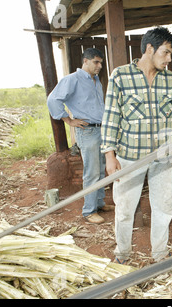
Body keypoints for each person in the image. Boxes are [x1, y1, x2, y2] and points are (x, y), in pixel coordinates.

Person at [101, 27, 172, 263]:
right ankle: (122, 254)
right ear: (149, 49)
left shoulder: (170, 80)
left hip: (162, 156)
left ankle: (160, 254)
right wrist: (109, 156)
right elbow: (111, 117)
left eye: (171, 54)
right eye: (165, 53)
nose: (169, 59)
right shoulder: (120, 76)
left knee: (163, 207)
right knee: (124, 209)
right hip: (130, 156)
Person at [47, 48, 112, 224]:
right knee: (91, 172)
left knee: (100, 169)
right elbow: (53, 100)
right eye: (96, 62)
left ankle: (99, 203)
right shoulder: (72, 79)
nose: (99, 66)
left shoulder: (96, 80)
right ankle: (89, 211)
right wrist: (68, 120)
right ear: (85, 61)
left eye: (101, 62)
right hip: (87, 131)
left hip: (100, 129)